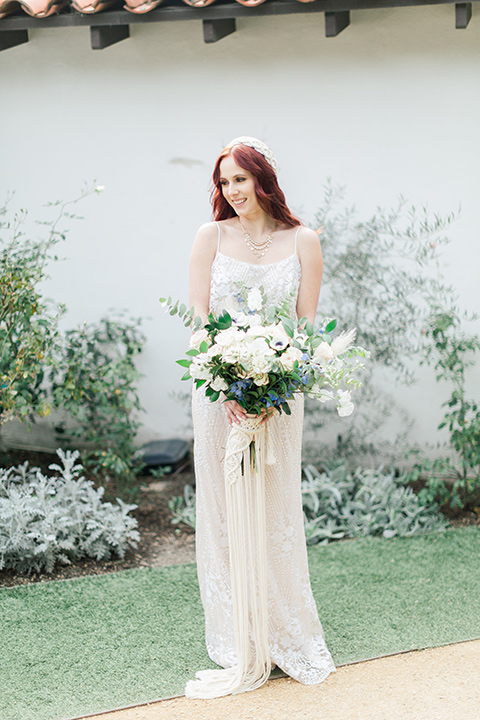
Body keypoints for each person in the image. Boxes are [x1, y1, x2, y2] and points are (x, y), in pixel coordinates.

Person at [186, 137, 336, 699]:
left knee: (273, 505)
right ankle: (239, 635)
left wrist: (277, 382)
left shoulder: (305, 241)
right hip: (217, 393)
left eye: (241, 179)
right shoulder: (210, 237)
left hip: (280, 395)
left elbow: (307, 326)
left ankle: (284, 632)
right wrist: (225, 381)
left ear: (263, 179)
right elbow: (200, 320)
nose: (232, 191)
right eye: (224, 182)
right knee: (225, 507)